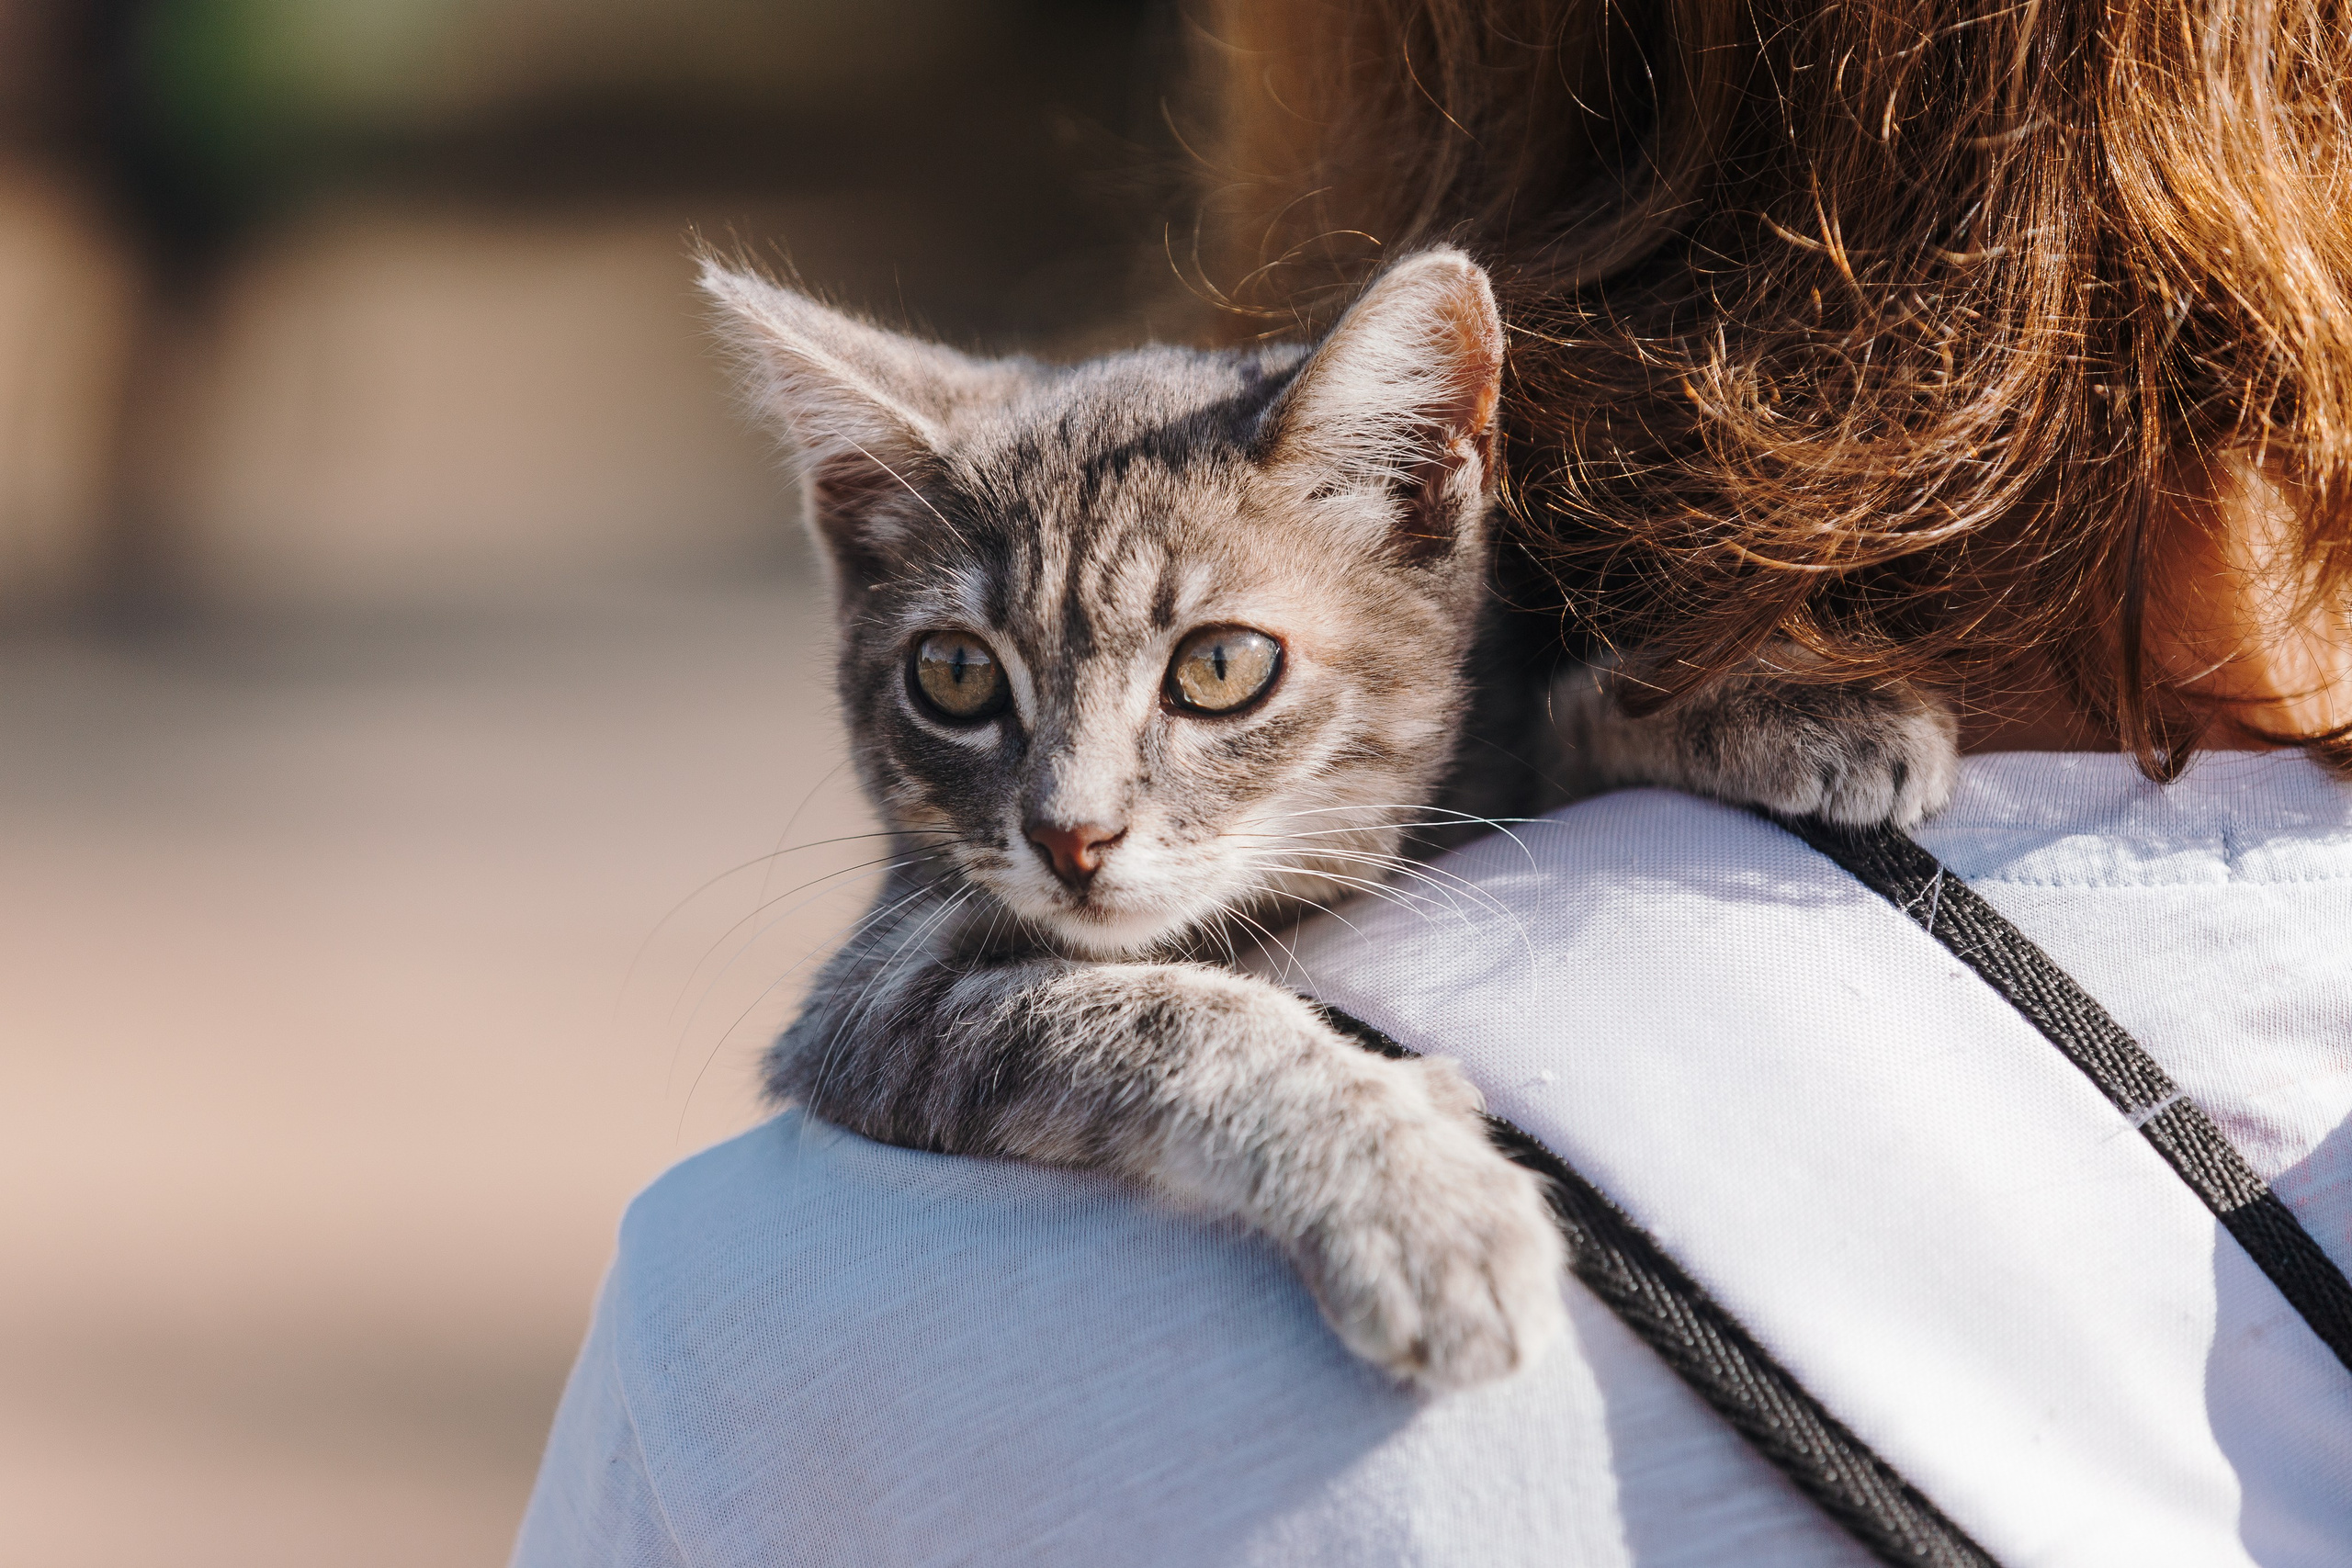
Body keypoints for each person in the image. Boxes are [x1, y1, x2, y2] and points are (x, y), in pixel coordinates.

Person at [511, 2, 2352, 1562]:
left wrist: (1618, 723)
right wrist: (1272, 1090)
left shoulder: (759, 1318)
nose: (1072, 808)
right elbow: (872, 1020)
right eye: (957, 683)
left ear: (1422, 492)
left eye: (1210, 673)